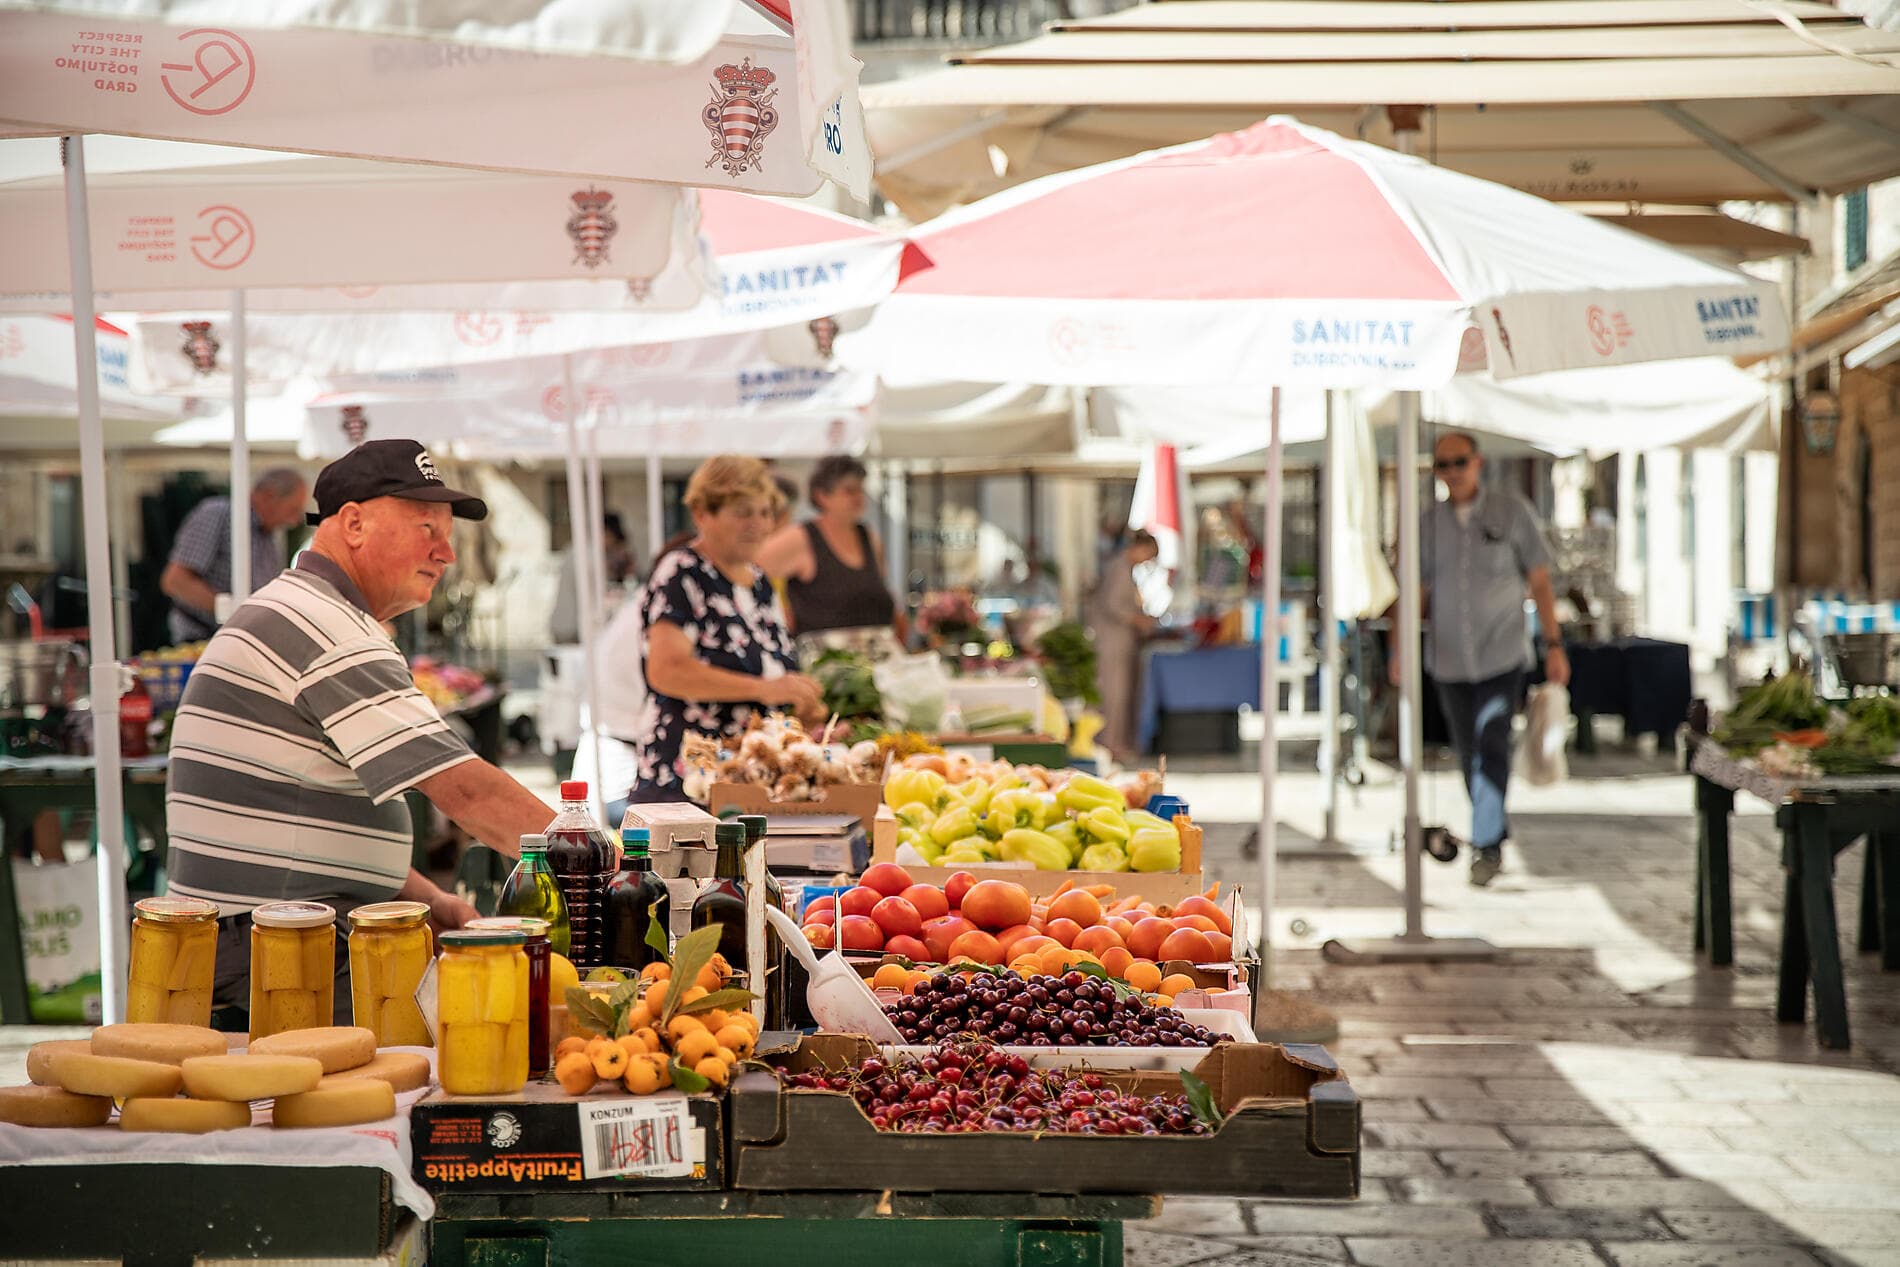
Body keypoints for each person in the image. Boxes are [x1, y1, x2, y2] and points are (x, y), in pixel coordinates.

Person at [165, 440, 556, 1023]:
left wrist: (432, 899)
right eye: (428, 527)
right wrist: (610, 860)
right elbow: (467, 793)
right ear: (353, 524)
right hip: (274, 949)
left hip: (269, 940)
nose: (445, 552)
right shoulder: (327, 625)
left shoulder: (312, 609)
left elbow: (308, 822)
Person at [1409, 431, 1570, 887]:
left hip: (1501, 653)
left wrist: (1554, 645)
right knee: (1468, 752)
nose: (1452, 473)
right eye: (1443, 465)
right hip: (1449, 657)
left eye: (1459, 462)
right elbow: (1417, 591)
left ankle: (1486, 844)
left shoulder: (1512, 511)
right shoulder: (1427, 524)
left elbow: (1540, 582)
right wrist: (1402, 650)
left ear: (1477, 463)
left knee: (1492, 740)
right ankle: (1491, 826)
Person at [629, 456, 825, 802]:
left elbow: (775, 672)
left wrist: (801, 704)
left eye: (765, 513)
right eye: (743, 512)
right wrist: (765, 689)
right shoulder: (682, 573)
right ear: (703, 513)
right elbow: (666, 670)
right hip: (687, 781)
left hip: (750, 782)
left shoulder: (761, 583)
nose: (758, 524)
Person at [758, 455, 901, 648]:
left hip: (876, 659)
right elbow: (748, 573)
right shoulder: (800, 539)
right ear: (822, 496)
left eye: (860, 489)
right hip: (824, 665)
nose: (858, 497)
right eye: (849, 491)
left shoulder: (869, 538)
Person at [160, 468, 309, 643]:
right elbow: (175, 581)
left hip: (243, 640)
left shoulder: (268, 537)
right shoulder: (218, 514)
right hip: (203, 639)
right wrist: (234, 612)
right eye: (293, 509)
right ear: (268, 496)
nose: (295, 520)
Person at [1088, 530, 1160, 761]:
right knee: (1112, 694)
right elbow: (1113, 605)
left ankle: (1114, 742)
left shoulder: (1125, 569)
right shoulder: (1118, 568)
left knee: (1119, 693)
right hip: (1110, 641)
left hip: (1120, 641)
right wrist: (1138, 619)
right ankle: (1109, 744)